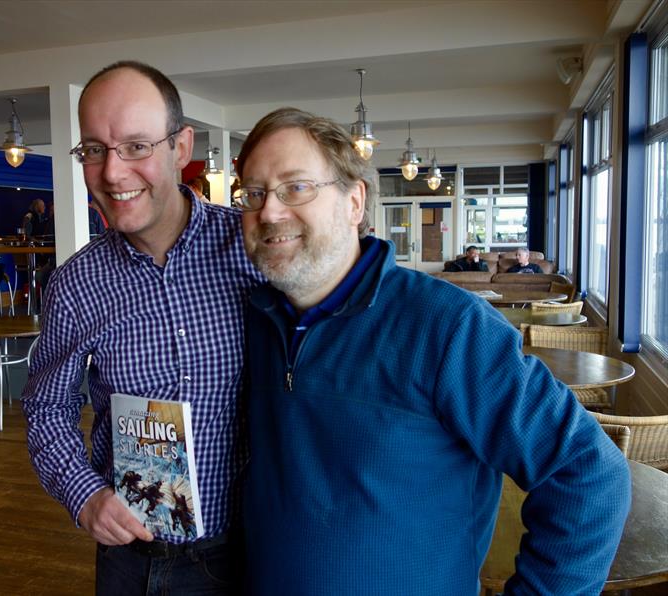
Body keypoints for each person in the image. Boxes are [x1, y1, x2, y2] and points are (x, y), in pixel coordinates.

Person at [234, 107, 631, 595]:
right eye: (254, 193)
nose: (269, 211)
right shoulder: (253, 319)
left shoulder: (446, 326)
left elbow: (588, 473)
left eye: (296, 187)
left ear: (354, 202)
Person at [20, 60, 262, 595]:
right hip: (135, 558)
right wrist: (82, 493)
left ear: (180, 148)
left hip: (257, 547)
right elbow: (46, 406)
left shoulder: (253, 253)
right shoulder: (76, 285)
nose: (111, 172)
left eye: (136, 146)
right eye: (94, 150)